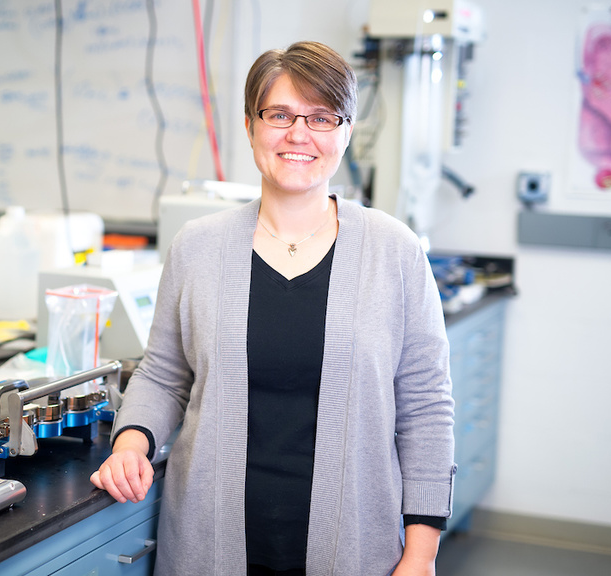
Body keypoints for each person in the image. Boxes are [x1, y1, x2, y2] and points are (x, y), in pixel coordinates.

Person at [90, 41, 455, 576]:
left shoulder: (394, 251)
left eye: (321, 117)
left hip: (354, 545)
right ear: (250, 125)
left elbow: (425, 407)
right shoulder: (197, 246)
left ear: (346, 131)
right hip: (208, 542)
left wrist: (420, 557)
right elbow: (165, 374)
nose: (298, 134)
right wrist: (130, 441)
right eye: (280, 114)